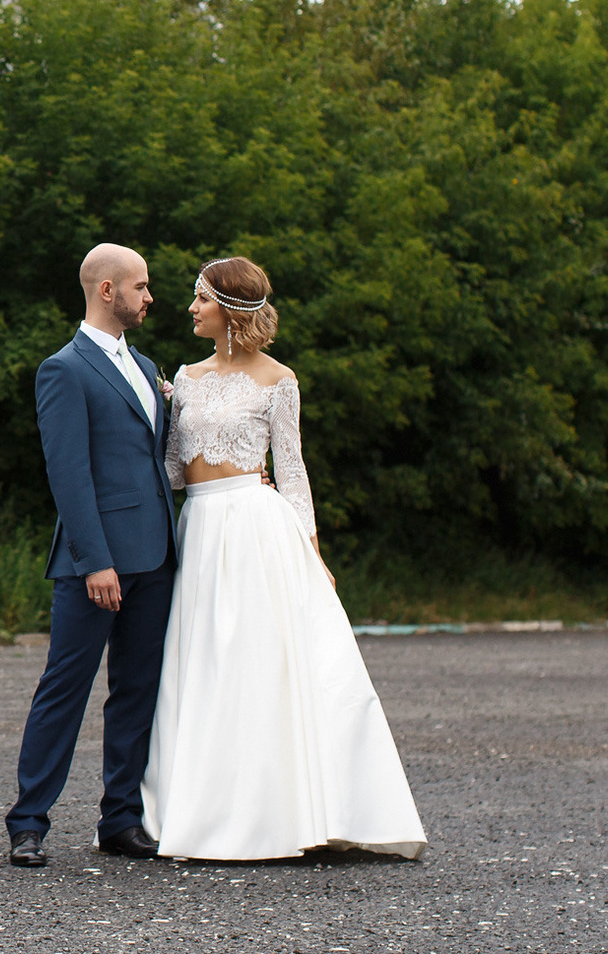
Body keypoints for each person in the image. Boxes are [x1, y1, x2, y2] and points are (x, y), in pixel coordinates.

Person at [139, 256, 426, 861]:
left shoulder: (279, 380)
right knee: (202, 663)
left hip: (254, 530)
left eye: (201, 298)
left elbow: (292, 472)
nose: (191, 308)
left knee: (254, 663)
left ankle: (276, 813)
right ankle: (197, 808)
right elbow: (171, 472)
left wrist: (311, 552)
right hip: (200, 529)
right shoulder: (185, 378)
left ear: (230, 309)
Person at [4, 243, 180, 867]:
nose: (149, 296)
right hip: (96, 563)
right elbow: (68, 474)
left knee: (137, 689)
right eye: (141, 286)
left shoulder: (148, 366)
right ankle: (28, 822)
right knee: (65, 687)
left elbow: (157, 461)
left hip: (156, 555)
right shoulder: (64, 369)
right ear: (108, 290)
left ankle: (121, 819)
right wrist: (94, 560)